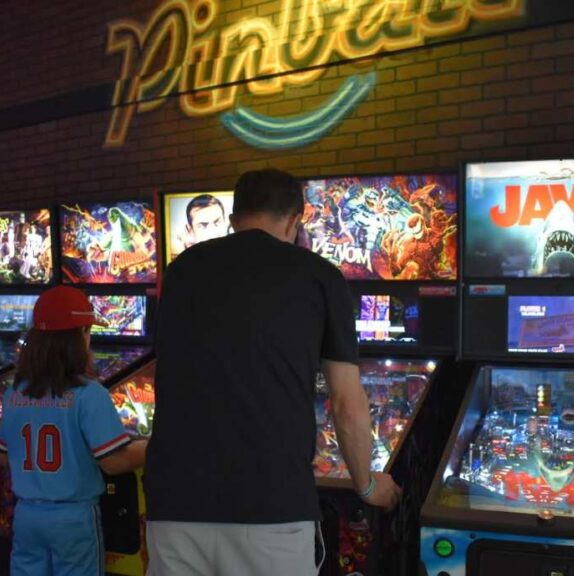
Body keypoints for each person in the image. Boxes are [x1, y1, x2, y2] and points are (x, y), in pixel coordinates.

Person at [146, 169, 401, 576]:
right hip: (270, 508)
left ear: (233, 218)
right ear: (295, 221)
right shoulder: (320, 276)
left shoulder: (180, 272)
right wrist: (366, 484)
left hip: (174, 506)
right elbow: (347, 403)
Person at [0, 285, 147, 576]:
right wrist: (156, 445)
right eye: (88, 331)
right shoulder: (89, 394)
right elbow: (113, 462)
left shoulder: (15, 391)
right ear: (78, 337)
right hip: (72, 518)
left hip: (26, 514)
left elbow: (3, 457)